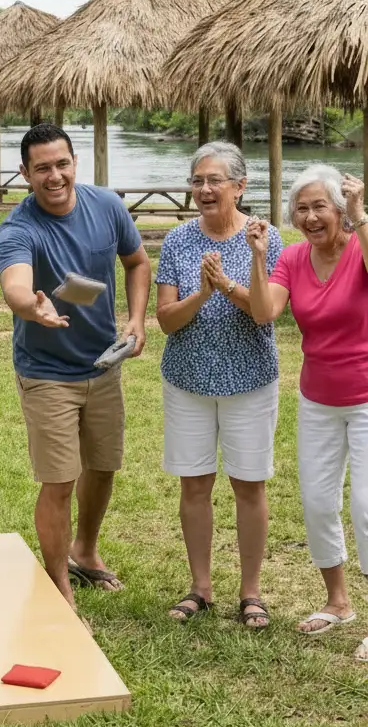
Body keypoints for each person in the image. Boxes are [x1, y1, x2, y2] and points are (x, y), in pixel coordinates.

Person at [0, 123, 150, 609]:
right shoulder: (19, 228)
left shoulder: (107, 206)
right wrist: (30, 306)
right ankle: (59, 581)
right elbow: (15, 283)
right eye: (42, 168)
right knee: (59, 479)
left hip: (103, 364)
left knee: (102, 467)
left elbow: (138, 262)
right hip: (46, 371)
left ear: (75, 163)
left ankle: (85, 550)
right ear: (25, 173)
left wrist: (137, 319)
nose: (54, 176)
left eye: (62, 164)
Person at [156, 142, 283, 628]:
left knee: (249, 485)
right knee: (195, 484)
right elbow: (166, 321)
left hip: (249, 380)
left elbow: (263, 312)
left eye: (215, 181)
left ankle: (250, 593)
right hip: (188, 380)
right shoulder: (178, 241)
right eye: (197, 181)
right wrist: (201, 292)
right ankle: (200, 588)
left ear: (239, 186)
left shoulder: (266, 238)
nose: (205, 190)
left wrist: (229, 282)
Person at [247, 165, 368, 659]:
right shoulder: (293, 258)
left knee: (366, 506)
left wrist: (362, 216)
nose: (312, 216)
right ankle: (338, 602)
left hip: (366, 397)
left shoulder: (360, 246)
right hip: (318, 398)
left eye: (321, 206)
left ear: (340, 210)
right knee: (318, 502)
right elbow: (262, 312)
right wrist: (258, 260)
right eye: (302, 208)